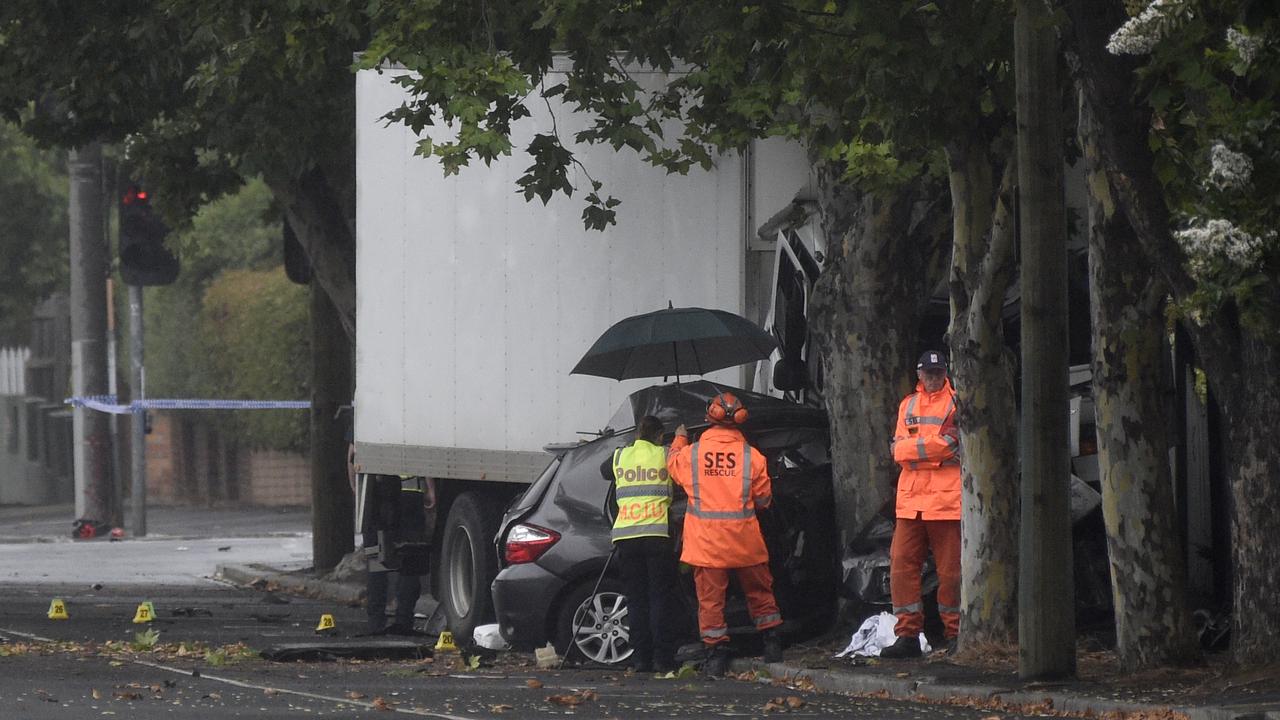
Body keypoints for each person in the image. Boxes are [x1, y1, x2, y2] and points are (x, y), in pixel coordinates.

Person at [667, 391, 783, 677]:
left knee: (711, 602)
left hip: (707, 545)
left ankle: (716, 655)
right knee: (760, 593)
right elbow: (764, 501)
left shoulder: (691, 454)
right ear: (741, 420)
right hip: (745, 542)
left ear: (709, 417)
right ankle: (772, 643)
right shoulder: (752, 457)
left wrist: (680, 438)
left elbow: (672, 467)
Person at [881, 350, 961, 659]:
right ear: (919, 374)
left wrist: (914, 451)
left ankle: (955, 633)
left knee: (951, 573)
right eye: (929, 373)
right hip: (911, 502)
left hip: (945, 502)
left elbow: (953, 444)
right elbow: (898, 452)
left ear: (945, 373)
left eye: (938, 372)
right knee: (901, 567)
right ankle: (908, 635)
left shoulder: (956, 402)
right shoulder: (907, 405)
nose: (934, 377)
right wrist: (930, 453)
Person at [601, 415, 678, 673]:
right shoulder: (665, 454)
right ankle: (662, 658)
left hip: (626, 537)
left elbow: (604, 471)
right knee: (659, 597)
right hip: (657, 535)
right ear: (659, 436)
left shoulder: (621, 456)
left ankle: (640, 659)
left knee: (636, 599)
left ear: (636, 435)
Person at [359, 472, 436, 635]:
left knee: (377, 559)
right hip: (411, 496)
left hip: (375, 497)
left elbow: (352, 456)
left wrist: (358, 490)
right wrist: (430, 488)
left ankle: (376, 623)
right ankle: (404, 621)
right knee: (410, 556)